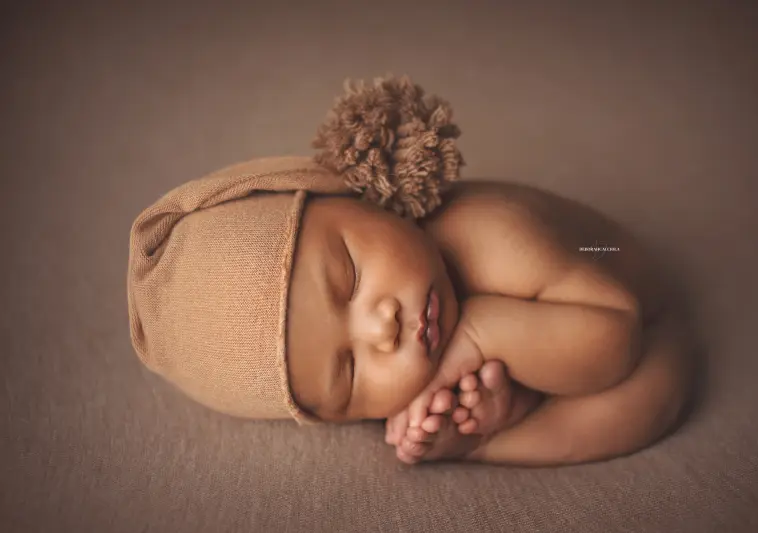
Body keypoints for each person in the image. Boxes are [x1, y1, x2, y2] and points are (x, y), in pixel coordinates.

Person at [127, 76, 694, 467]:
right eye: (348, 373)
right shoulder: (410, 353)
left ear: (352, 198)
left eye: (348, 277)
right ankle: (492, 431)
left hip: (620, 285)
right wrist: (469, 411)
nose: (381, 330)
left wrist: (478, 336)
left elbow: (618, 333)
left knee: (653, 393)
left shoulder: (490, 234)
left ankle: (503, 425)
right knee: (465, 405)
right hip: (558, 340)